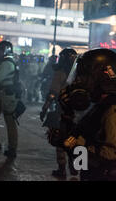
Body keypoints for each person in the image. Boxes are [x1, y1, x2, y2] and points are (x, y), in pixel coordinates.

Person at [50, 48, 116, 181]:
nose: (78, 82)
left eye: (84, 77)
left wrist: (72, 144)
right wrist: (67, 123)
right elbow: (80, 164)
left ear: (100, 77)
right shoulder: (100, 108)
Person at [40, 48, 77, 179]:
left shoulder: (60, 73)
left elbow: (53, 93)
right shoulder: (81, 73)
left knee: (59, 139)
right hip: (79, 113)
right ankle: (75, 166)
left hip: (62, 111)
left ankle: (62, 169)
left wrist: (45, 108)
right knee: (76, 140)